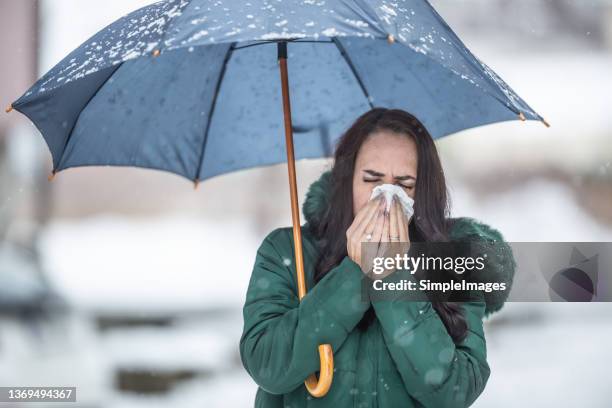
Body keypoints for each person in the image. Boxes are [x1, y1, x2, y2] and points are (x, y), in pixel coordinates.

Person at [239, 108, 516, 407]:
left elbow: (455, 391)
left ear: (423, 192)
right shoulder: (286, 251)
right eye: (372, 179)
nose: (386, 198)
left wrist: (391, 273)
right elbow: (267, 364)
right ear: (345, 182)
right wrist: (355, 271)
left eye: (405, 185)